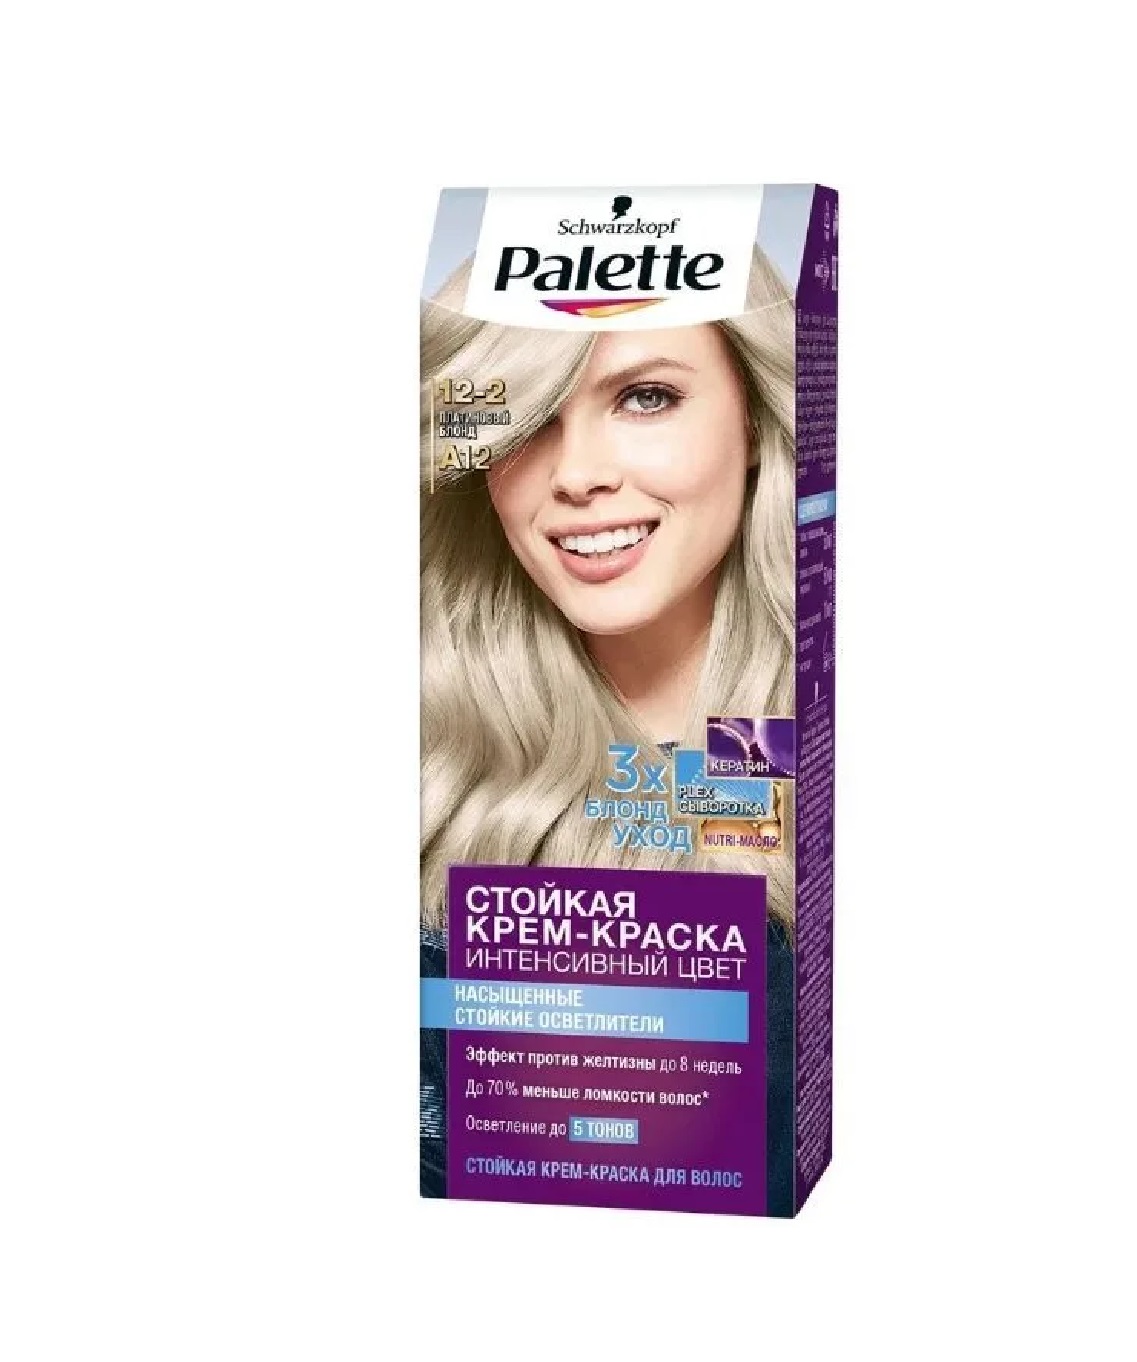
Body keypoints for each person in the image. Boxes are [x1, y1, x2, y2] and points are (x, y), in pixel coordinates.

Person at [419, 249, 798, 1212]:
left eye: (646, 398)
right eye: (528, 417)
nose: (579, 477)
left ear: (754, 421)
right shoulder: (430, 752)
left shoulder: (790, 744)